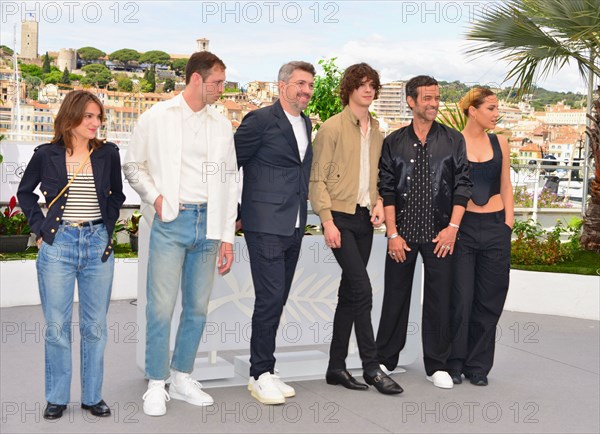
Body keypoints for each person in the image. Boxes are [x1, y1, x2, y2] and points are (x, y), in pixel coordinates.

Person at [123, 51, 238, 416]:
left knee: (198, 308)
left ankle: (182, 375)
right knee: (160, 307)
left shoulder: (221, 124)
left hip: (210, 222)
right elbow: (133, 165)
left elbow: (230, 180)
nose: (222, 89)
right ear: (195, 80)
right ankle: (157, 383)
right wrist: (155, 198)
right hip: (172, 221)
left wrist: (226, 236)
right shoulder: (156, 117)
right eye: (217, 82)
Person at [17, 90, 125, 420]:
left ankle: (93, 396)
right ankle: (57, 397)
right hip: (58, 244)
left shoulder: (108, 153)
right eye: (89, 116)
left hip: (96, 245)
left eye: (98, 116)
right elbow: (24, 193)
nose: (96, 122)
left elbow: (116, 195)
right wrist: (41, 229)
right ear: (71, 117)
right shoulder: (46, 154)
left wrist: (105, 229)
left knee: (95, 327)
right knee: (56, 327)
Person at [309, 63, 403, 395]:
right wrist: (327, 220)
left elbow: (377, 175)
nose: (368, 90)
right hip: (340, 219)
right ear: (349, 88)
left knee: (349, 295)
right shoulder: (332, 128)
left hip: (365, 219)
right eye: (362, 84)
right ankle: (371, 368)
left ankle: (335, 368)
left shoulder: (376, 130)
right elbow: (316, 179)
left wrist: (378, 202)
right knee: (362, 291)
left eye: (372, 85)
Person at [376, 75, 472, 389]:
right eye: (427, 98)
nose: (433, 103)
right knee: (395, 298)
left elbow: (462, 188)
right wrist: (392, 234)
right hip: (401, 235)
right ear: (411, 102)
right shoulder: (393, 141)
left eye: (436, 98)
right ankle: (386, 359)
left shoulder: (454, 139)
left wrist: (452, 230)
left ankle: (437, 365)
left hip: (440, 235)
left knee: (439, 300)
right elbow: (387, 190)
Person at [235, 61, 314, 405]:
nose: (306, 90)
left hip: (294, 224)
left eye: (310, 85)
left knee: (278, 298)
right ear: (282, 86)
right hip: (264, 223)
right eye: (300, 84)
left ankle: (266, 368)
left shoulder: (306, 123)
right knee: (269, 299)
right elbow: (229, 163)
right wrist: (235, 214)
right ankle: (258, 374)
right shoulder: (260, 120)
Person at [448, 87, 514, 386]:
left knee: (490, 299)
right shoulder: (453, 143)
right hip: (464, 229)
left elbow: (506, 185)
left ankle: (478, 366)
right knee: (461, 299)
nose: (495, 113)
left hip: (496, 228)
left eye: (496, 107)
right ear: (472, 110)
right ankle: (454, 362)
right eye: (490, 107)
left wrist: (508, 224)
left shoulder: (501, 142)